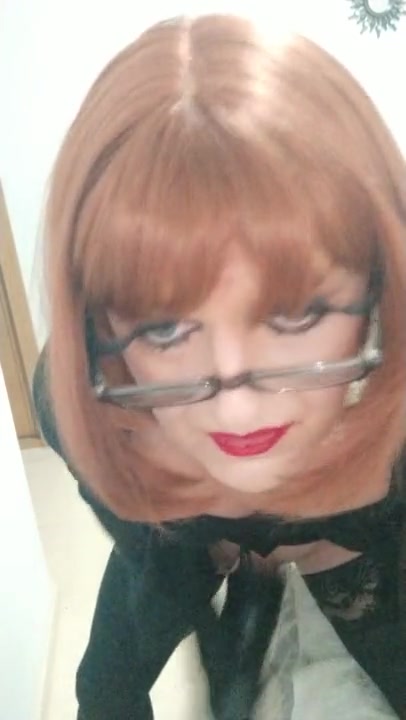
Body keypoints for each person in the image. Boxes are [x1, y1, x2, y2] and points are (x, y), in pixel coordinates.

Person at [32, 13, 406, 719]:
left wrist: (330, 517)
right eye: (164, 326)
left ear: (378, 286)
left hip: (348, 545)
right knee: (106, 691)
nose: (236, 407)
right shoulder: (77, 403)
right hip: (186, 545)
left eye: (296, 313)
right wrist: (189, 519)